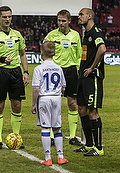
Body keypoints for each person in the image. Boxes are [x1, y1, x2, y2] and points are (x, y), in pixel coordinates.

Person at [0, 6, 29, 149]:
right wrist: (2, 59)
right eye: (4, 17)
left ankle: (16, 138)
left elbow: (23, 54)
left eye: (9, 16)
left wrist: (25, 72)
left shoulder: (18, 35)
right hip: (0, 72)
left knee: (17, 105)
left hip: (16, 73)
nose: (7, 19)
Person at [44, 9, 82, 146]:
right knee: (54, 104)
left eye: (63, 21)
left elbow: (79, 54)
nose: (61, 23)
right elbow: (44, 53)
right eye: (59, 20)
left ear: (69, 21)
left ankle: (72, 136)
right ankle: (53, 136)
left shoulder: (76, 36)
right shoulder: (51, 35)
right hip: (56, 71)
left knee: (72, 103)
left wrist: (78, 68)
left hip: (71, 71)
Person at [74, 8, 106, 156]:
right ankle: (88, 145)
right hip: (83, 77)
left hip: (92, 78)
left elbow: (102, 49)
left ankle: (98, 148)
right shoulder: (86, 34)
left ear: (90, 16)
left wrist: (92, 68)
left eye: (81, 14)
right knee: (81, 109)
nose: (79, 17)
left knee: (92, 111)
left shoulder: (95, 32)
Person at [31, 41, 69, 166]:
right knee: (57, 128)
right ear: (54, 53)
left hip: (44, 98)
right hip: (56, 98)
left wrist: (33, 104)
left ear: (41, 53)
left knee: (46, 128)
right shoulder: (59, 68)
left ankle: (48, 158)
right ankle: (60, 156)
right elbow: (64, 87)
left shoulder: (38, 69)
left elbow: (36, 88)